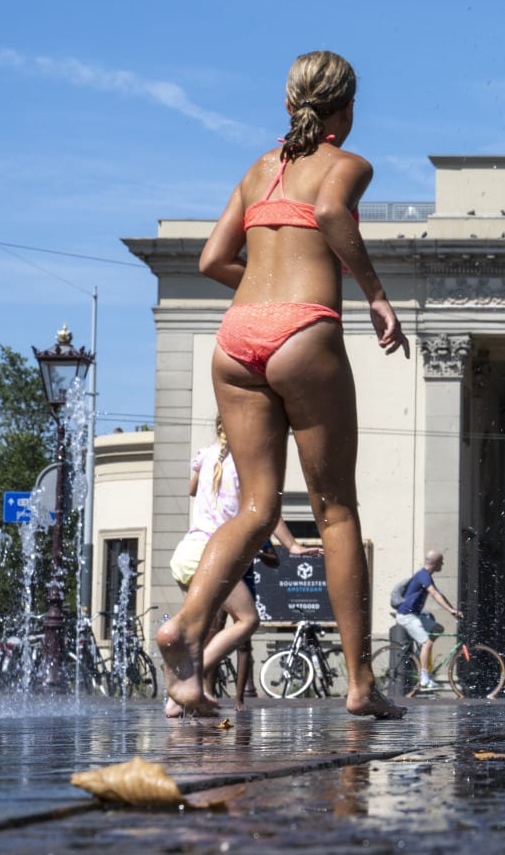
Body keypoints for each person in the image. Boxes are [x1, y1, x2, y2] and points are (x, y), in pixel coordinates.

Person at [157, 50, 410, 719]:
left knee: (255, 509)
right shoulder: (349, 165)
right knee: (336, 511)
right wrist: (377, 298)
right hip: (305, 332)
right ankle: (361, 686)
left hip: (235, 339)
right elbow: (331, 213)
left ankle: (185, 631)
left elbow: (213, 259)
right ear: (347, 110)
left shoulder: (257, 170)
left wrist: (266, 292)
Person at [168, 416, 316, 715]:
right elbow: (269, 514)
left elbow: (193, 489)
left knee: (200, 627)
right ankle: (185, 682)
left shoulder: (207, 455)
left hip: (187, 552)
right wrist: (292, 546)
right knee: (247, 620)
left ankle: (178, 699)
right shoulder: (248, 465)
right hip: (214, 554)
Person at [395, 550, 463, 692]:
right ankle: (424, 678)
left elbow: (440, 595)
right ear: (435, 563)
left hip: (415, 614)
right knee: (426, 642)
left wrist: (452, 609)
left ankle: (422, 656)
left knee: (438, 629)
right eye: (441, 562)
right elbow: (434, 594)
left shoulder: (427, 576)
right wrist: (450, 611)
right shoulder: (423, 575)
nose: (443, 564)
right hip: (406, 615)